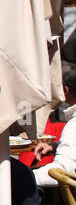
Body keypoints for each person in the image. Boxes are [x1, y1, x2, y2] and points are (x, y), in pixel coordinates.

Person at [33, 61, 76, 189]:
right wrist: (55, 146)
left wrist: (25, 177)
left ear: (64, 90)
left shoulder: (73, 125)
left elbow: (62, 170)